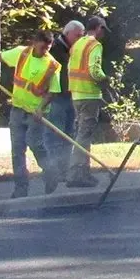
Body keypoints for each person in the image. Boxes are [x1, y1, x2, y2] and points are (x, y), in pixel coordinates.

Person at [0, 31, 61, 198]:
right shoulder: (21, 53)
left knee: (35, 144)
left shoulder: (52, 65)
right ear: (34, 42)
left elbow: (53, 92)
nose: (45, 51)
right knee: (17, 150)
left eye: (48, 48)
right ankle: (21, 188)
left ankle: (50, 173)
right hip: (18, 109)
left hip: (36, 112)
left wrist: (41, 108)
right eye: (43, 47)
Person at [66, 16, 110, 188]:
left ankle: (84, 173)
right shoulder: (95, 45)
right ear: (98, 28)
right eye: (103, 30)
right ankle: (75, 174)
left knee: (82, 133)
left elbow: (71, 67)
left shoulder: (77, 44)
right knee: (84, 135)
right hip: (89, 94)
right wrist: (104, 80)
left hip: (76, 93)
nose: (104, 34)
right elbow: (94, 70)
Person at [46, 20, 84, 182]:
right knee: (55, 134)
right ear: (68, 33)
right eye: (78, 35)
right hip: (56, 97)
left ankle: (65, 169)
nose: (80, 38)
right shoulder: (54, 49)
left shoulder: (75, 50)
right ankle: (53, 170)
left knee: (68, 134)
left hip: (71, 96)